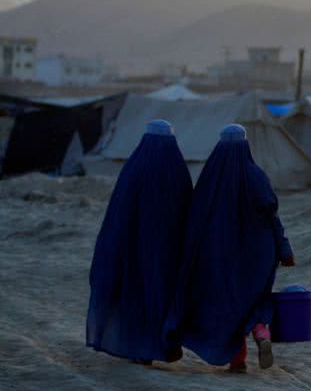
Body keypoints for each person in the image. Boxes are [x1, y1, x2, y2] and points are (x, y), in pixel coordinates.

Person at [166, 124, 295, 373]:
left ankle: (238, 360)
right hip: (259, 253)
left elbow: (195, 218)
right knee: (255, 298)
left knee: (227, 304)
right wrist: (285, 250)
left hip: (218, 253)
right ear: (246, 146)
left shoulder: (210, 178)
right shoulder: (256, 175)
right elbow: (272, 216)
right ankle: (260, 332)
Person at [86, 119, 193, 364]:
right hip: (167, 252)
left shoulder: (133, 169)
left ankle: (137, 348)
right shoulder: (177, 170)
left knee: (134, 295)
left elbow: (117, 213)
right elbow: (188, 211)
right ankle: (162, 346)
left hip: (133, 249)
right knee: (162, 297)